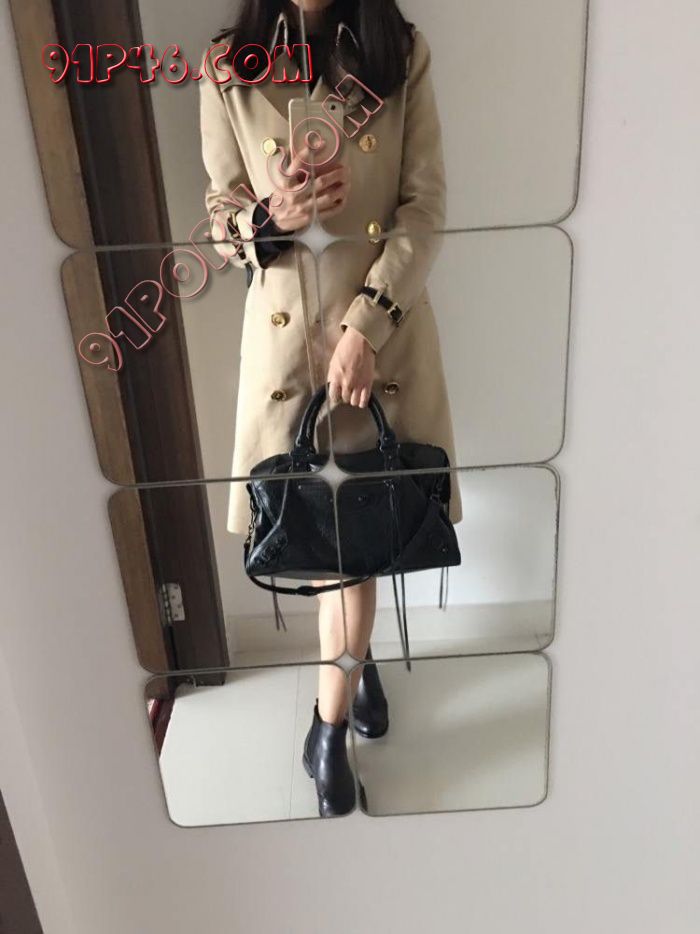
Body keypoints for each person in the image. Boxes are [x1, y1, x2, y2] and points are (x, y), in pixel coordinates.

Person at [200, 0, 462, 816]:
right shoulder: (227, 66)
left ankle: (327, 729)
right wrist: (267, 219)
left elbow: (423, 208)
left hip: (376, 346)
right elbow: (219, 217)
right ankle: (357, 669)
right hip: (288, 356)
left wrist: (365, 327)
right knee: (334, 551)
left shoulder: (397, 52)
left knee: (353, 552)